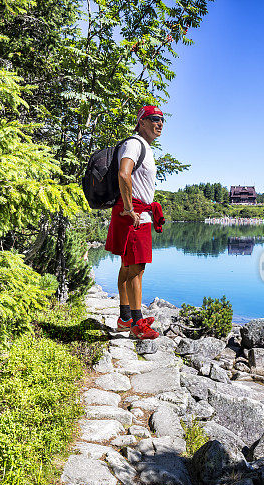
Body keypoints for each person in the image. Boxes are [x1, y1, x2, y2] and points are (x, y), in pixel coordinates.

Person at [104, 105, 166, 340]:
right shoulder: (135, 143)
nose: (159, 123)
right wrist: (130, 209)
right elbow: (123, 173)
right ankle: (138, 323)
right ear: (141, 122)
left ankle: (125, 317)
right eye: (153, 119)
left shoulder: (144, 147)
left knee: (128, 266)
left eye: (162, 120)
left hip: (138, 213)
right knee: (137, 268)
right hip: (134, 215)